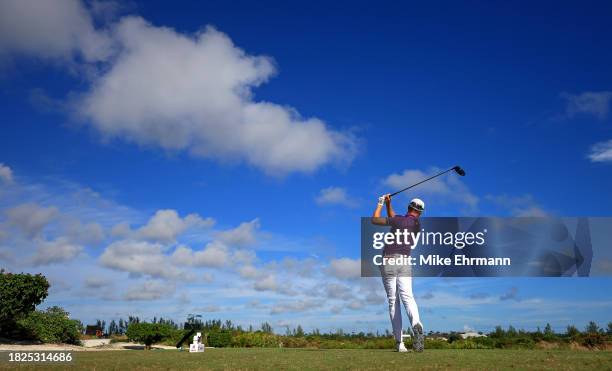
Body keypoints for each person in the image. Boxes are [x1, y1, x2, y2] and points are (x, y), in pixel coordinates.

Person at [371, 194, 424, 352]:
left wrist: (380, 202)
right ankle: (416, 324)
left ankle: (400, 344)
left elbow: (375, 219)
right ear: (419, 212)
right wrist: (389, 204)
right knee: (408, 297)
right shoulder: (416, 224)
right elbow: (394, 218)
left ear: (408, 207)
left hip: (389, 261)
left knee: (393, 301)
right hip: (405, 262)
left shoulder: (398, 220)